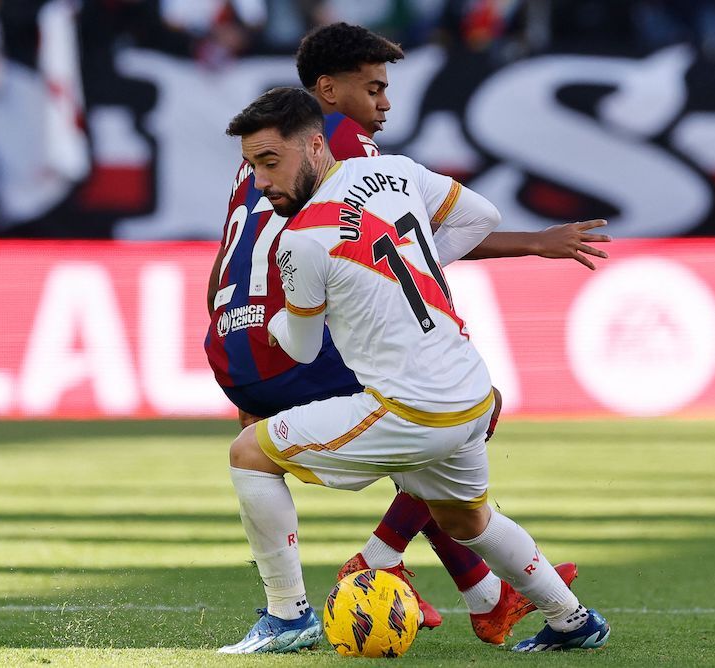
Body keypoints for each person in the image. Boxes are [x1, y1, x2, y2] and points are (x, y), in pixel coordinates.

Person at [205, 22, 609, 645]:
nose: (385, 102)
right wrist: (524, 243)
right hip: (435, 380)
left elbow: (238, 269)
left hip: (235, 341)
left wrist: (242, 331)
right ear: (327, 94)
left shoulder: (266, 170)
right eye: (374, 88)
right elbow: (438, 226)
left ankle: (451, 591)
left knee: (274, 453)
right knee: (463, 465)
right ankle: (429, 577)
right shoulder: (372, 162)